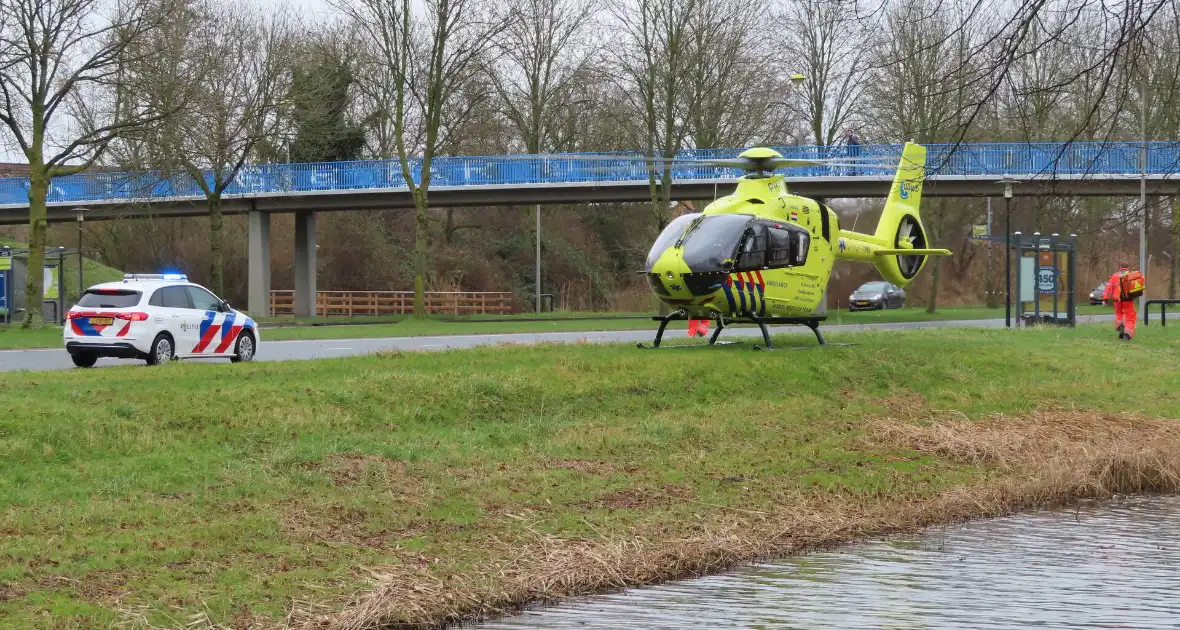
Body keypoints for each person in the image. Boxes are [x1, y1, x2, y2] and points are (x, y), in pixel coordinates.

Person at [1102, 264, 1138, 340]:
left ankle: (1119, 325)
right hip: (1128, 299)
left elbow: (1108, 287)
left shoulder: (1115, 276)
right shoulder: (1131, 275)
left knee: (1119, 313)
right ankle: (1127, 333)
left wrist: (1105, 298)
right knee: (1130, 316)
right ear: (1128, 268)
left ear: (1120, 268)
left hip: (1117, 299)